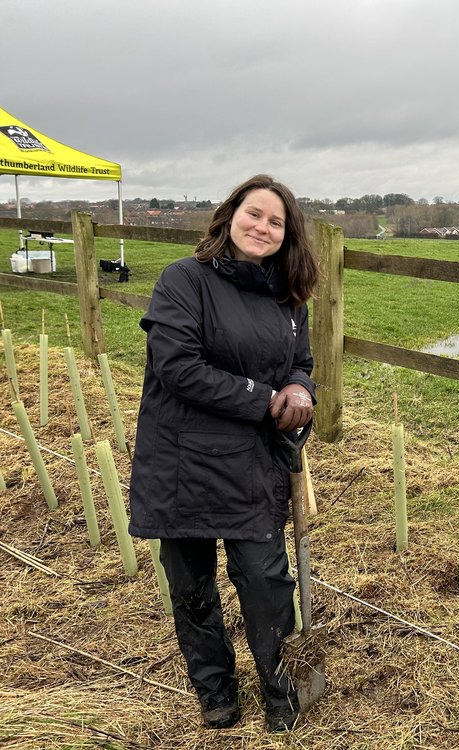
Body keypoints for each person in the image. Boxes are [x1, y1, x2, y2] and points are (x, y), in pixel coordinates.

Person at [128, 174, 319, 731]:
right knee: (191, 584)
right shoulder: (184, 280)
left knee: (264, 580)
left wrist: (302, 389)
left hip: (255, 462)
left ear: (288, 236)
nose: (262, 227)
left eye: (276, 222)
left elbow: (300, 364)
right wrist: (267, 399)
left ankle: (280, 689)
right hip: (183, 457)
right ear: (230, 215)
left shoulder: (289, 300)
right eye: (254, 214)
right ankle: (216, 691)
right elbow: (178, 367)